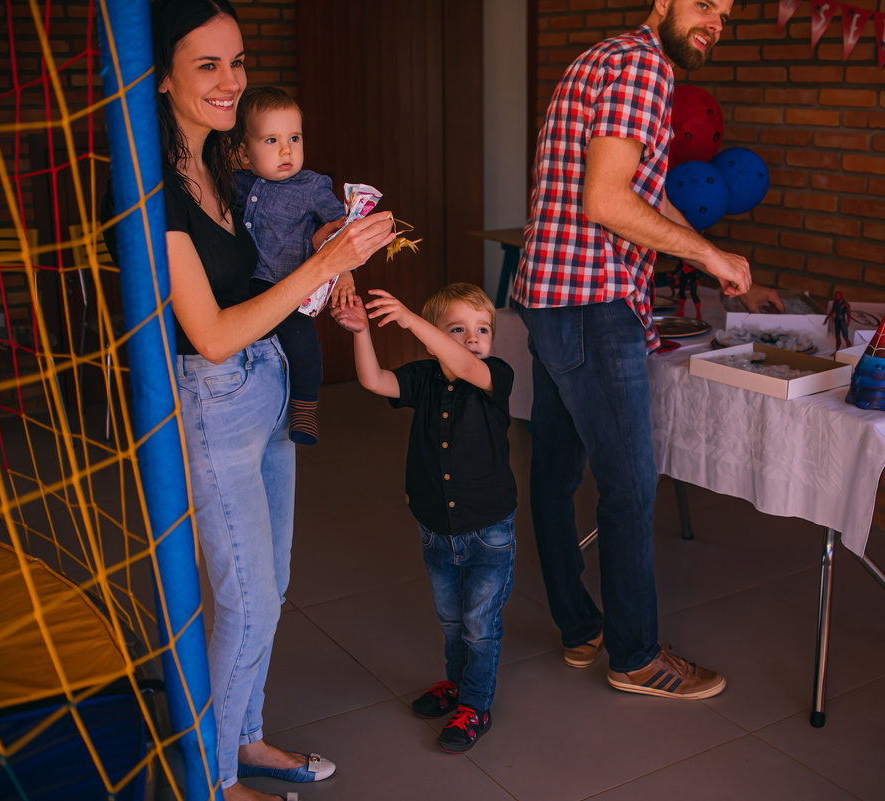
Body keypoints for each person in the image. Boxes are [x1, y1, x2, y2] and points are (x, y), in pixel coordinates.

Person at [134, 2, 394, 797]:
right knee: (243, 601)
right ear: (163, 74)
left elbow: (260, 273)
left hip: (269, 380)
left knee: (270, 589)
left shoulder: (226, 166)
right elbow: (208, 333)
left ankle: (244, 737)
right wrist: (324, 265)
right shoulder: (156, 187)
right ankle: (212, 782)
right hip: (214, 396)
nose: (230, 81)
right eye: (208, 64)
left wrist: (326, 261)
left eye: (237, 61)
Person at [511, 0, 778, 700]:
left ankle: (578, 628)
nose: (716, 20)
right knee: (629, 484)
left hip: (549, 295)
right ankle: (634, 656)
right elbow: (606, 202)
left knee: (556, 471)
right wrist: (711, 254)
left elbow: (645, 195)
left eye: (726, 11)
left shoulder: (604, 56)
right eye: (703, 4)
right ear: (661, 1)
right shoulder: (643, 69)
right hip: (595, 302)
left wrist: (726, 269)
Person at [331, 284, 516, 754]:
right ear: (436, 337)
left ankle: (476, 703)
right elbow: (375, 381)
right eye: (457, 330)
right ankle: (456, 685)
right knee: (452, 621)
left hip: (489, 530)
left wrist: (412, 319)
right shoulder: (424, 378)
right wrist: (361, 333)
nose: (472, 339)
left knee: (479, 625)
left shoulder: (495, 374)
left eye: (481, 329)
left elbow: (468, 365)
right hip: (436, 528)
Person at [233, 85, 350, 445]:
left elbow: (341, 232)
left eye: (294, 138)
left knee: (303, 342)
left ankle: (304, 406)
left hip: (289, 286)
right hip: (243, 284)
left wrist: (344, 273)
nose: (287, 150)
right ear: (244, 153)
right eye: (271, 140)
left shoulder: (311, 186)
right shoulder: (232, 182)